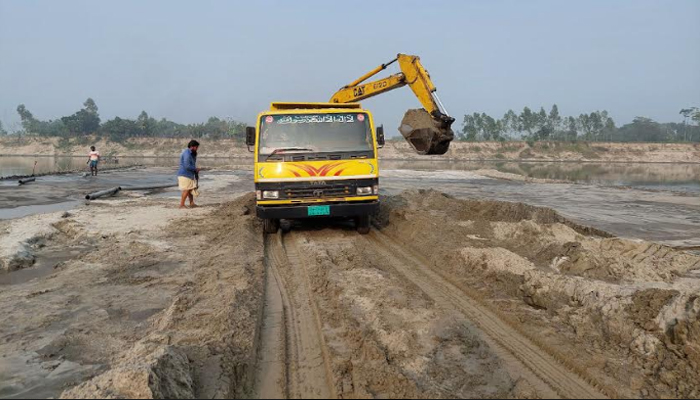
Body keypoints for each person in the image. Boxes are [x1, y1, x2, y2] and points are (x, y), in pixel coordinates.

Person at [177, 140, 201, 209]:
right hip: (184, 174)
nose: (197, 149)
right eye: (196, 147)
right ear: (192, 147)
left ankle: (191, 203)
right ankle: (181, 205)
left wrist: (195, 173)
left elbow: (191, 165)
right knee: (186, 190)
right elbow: (187, 166)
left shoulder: (192, 154)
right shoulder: (186, 153)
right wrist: (195, 169)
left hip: (189, 174)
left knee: (190, 189)